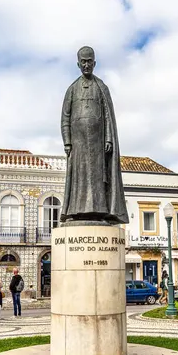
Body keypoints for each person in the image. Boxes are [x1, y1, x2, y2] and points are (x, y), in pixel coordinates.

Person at [60, 46, 129, 224]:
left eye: (89, 61)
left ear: (95, 63)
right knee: (80, 178)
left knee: (98, 178)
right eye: (83, 61)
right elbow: (65, 117)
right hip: (78, 143)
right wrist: (67, 142)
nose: (86, 64)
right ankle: (76, 211)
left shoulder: (101, 87)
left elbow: (107, 115)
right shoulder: (72, 89)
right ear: (78, 64)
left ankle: (100, 211)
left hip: (98, 143)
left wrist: (108, 138)